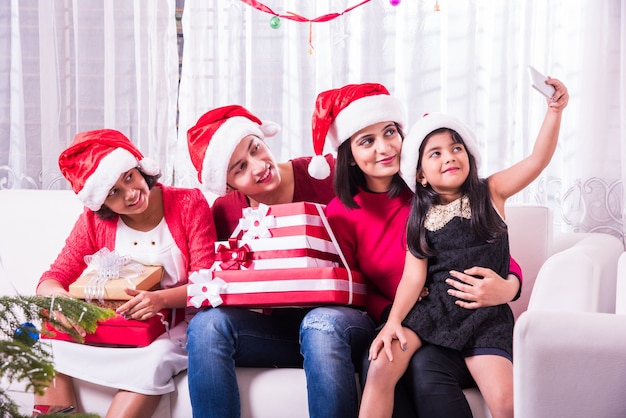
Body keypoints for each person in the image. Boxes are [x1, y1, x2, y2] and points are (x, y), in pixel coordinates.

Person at [358, 78, 569, 418]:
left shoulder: (492, 192)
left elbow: (538, 160)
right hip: (433, 313)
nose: (449, 157)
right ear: (422, 175)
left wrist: (554, 111)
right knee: (382, 364)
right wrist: (394, 321)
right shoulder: (420, 216)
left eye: (456, 148)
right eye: (436, 153)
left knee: (507, 402)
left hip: (484, 319)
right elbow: (413, 278)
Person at [318, 82, 525, 418]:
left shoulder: (433, 190)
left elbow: (490, 250)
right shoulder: (340, 213)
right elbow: (356, 287)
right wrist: (395, 314)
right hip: (406, 317)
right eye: (367, 141)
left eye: (390, 133)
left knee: (426, 366)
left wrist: (509, 287)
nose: (384, 148)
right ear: (349, 155)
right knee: (380, 361)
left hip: (462, 315)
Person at [185, 104, 376, 418]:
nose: (258, 166)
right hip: (276, 331)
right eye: (239, 168)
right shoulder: (225, 211)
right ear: (229, 184)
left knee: (321, 324)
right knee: (207, 326)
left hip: (341, 321)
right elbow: (216, 279)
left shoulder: (323, 172)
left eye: (255, 149)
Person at [34, 129, 217, 417]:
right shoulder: (94, 222)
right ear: (101, 203)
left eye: (129, 177)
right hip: (115, 328)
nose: (131, 194)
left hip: (171, 329)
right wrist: (62, 302)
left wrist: (160, 300)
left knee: (152, 362)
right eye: (113, 193)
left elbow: (207, 283)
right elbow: (51, 279)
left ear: (139, 168)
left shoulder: (187, 203)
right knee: (34, 336)